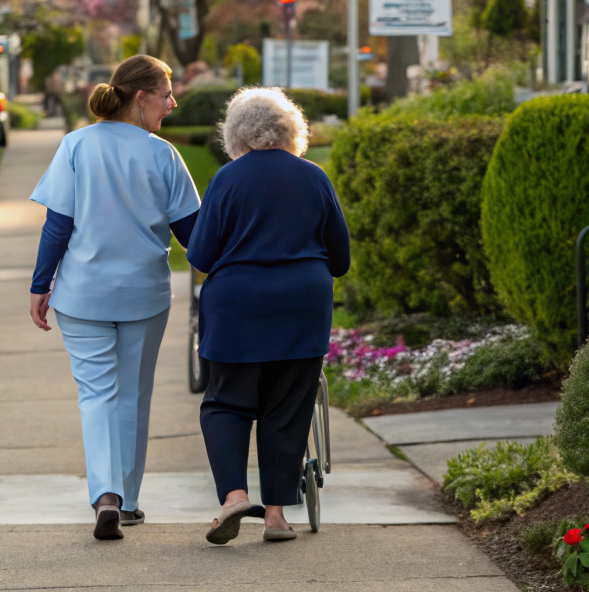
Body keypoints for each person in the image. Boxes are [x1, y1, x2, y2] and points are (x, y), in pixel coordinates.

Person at [29, 55, 201, 540]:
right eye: (167, 93)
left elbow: (58, 224)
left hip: (82, 295)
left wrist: (40, 285)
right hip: (143, 295)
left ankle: (105, 495)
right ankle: (126, 500)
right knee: (133, 397)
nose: (173, 102)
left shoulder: (75, 146)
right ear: (140, 97)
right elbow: (193, 234)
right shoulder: (162, 154)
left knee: (96, 396)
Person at [187, 88, 350, 544]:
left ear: (235, 133)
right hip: (302, 307)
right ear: (291, 131)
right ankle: (276, 516)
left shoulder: (227, 179)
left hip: (238, 308)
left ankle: (235, 497)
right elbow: (340, 259)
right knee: (288, 407)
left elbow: (200, 253)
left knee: (226, 402)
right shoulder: (314, 177)